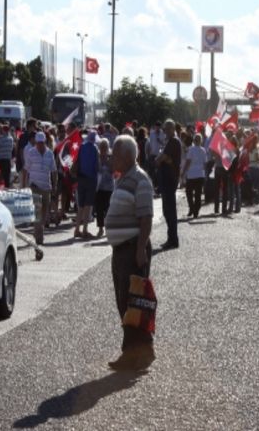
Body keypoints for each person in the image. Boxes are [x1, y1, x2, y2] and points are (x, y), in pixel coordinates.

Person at [104, 135, 155, 371]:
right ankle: (142, 352)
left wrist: (140, 249)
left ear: (126, 156)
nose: (111, 158)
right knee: (126, 302)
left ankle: (134, 354)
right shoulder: (124, 178)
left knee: (132, 302)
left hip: (132, 248)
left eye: (115, 154)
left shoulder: (140, 179)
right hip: (121, 249)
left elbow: (146, 218)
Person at [23, 132, 57, 245]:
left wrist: (54, 185)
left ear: (45, 142)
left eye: (42, 143)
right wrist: (24, 185)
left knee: (44, 213)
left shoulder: (50, 154)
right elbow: (26, 169)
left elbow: (53, 170)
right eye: (38, 143)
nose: (40, 145)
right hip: (34, 186)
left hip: (46, 186)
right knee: (37, 212)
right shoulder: (31, 152)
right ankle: (39, 238)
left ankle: (37, 231)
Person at [155, 119, 182, 250]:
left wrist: (161, 159)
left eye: (166, 129)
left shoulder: (173, 141)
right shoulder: (171, 141)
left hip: (170, 180)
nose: (164, 131)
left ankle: (173, 239)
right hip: (167, 179)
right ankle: (171, 238)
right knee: (167, 210)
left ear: (171, 129)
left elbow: (162, 158)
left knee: (169, 210)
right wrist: (162, 159)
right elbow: (162, 158)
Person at [73, 131, 99, 239]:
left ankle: (77, 229)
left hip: (81, 178)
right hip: (90, 179)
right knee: (88, 206)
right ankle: (84, 230)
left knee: (81, 206)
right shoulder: (94, 148)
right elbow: (96, 166)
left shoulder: (81, 147)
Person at [182, 133, 207, 218]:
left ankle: (192, 208)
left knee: (189, 193)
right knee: (198, 194)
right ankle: (196, 211)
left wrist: (183, 172)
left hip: (191, 174)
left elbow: (188, 162)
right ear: (201, 141)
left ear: (194, 140)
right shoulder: (203, 150)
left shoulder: (191, 149)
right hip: (200, 174)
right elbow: (205, 163)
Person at [94, 138, 114, 238]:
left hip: (109, 187)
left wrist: (106, 160)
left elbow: (113, 170)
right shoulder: (96, 157)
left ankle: (108, 228)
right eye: (101, 147)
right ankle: (101, 228)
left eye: (105, 147)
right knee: (99, 209)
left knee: (108, 209)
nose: (103, 149)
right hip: (99, 187)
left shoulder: (111, 157)